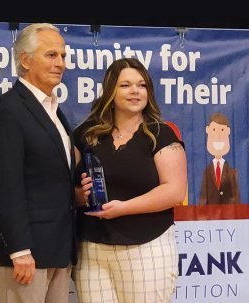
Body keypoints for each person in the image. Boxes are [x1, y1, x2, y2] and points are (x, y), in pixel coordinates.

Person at [72, 58, 187, 303]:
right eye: (125, 85)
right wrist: (82, 196)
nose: (135, 91)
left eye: (141, 85)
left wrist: (124, 208)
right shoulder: (86, 134)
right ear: (110, 90)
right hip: (92, 250)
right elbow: (67, 189)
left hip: (146, 247)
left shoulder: (160, 134)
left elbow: (175, 191)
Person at [0, 23, 76, 303]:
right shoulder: (8, 111)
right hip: (26, 258)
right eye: (51, 55)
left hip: (58, 251)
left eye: (62, 56)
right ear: (25, 60)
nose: (60, 63)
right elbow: (6, 185)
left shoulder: (54, 111)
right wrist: (19, 250)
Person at [199, 112, 241, 205]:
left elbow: (236, 197)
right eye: (214, 130)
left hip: (228, 215)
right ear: (208, 130)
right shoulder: (206, 172)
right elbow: (203, 196)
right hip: (210, 215)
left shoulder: (231, 172)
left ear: (228, 131)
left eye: (222, 130)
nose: (218, 136)